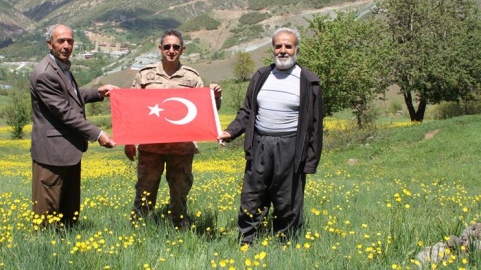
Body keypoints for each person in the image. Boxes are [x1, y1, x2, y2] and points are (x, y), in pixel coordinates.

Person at [218, 27, 323, 245]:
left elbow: (314, 125)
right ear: (272, 49)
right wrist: (230, 132)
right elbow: (246, 111)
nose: (283, 50)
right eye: (278, 46)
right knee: (252, 196)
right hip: (260, 145)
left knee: (288, 199)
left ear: (296, 50)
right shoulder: (261, 77)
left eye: (288, 46)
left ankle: (285, 244)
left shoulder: (309, 82)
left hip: (291, 147)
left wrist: (310, 161)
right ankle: (246, 241)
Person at [124, 29, 222, 229]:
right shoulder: (144, 75)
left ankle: (179, 226)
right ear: (160, 48)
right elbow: (132, 110)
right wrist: (128, 141)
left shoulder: (192, 78)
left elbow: (206, 110)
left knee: (180, 190)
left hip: (181, 147)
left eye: (175, 47)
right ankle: (138, 228)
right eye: (167, 46)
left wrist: (216, 98)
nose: (171, 50)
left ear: (182, 49)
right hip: (151, 147)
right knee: (145, 189)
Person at [29, 24, 117, 229]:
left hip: (67, 150)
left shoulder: (61, 67)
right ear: (49, 44)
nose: (66, 45)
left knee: (68, 212)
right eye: (61, 41)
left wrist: (97, 92)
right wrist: (98, 133)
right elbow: (65, 113)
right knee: (48, 216)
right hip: (52, 154)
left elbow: (72, 96)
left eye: (70, 41)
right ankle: (45, 252)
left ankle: (67, 246)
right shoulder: (45, 74)